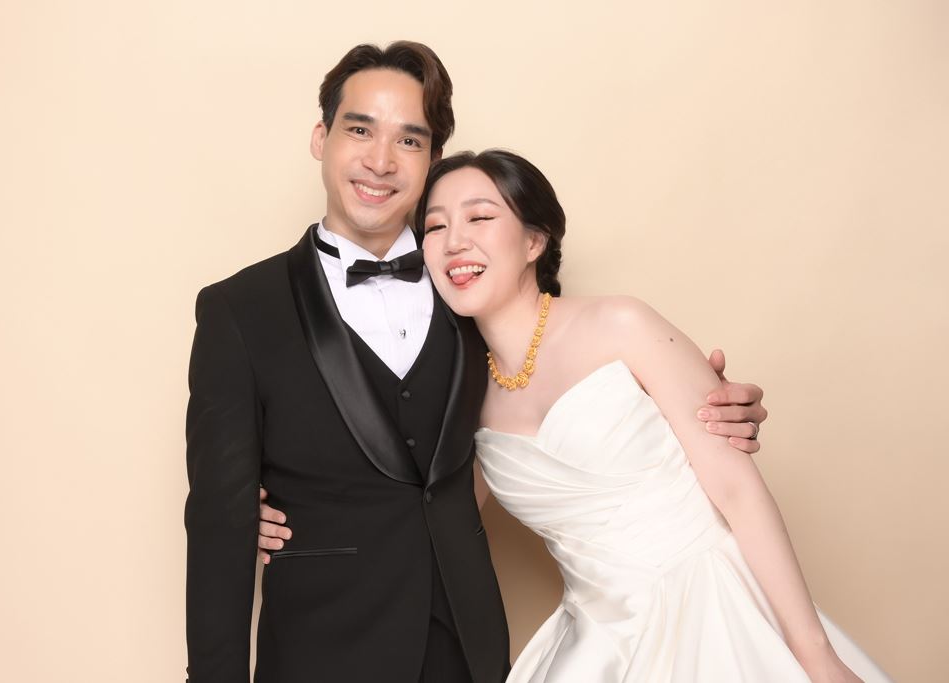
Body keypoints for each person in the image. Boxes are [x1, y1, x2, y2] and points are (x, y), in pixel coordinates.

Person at [189, 41, 765, 683]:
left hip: (467, 646)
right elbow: (217, 522)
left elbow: (568, 377)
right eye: (360, 130)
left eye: (409, 140)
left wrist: (704, 404)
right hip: (319, 650)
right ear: (322, 138)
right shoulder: (239, 310)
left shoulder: (472, 285)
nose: (380, 160)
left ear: (432, 159)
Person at [410, 148, 889, 682]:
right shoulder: (461, 395)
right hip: (596, 645)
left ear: (534, 241)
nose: (454, 242)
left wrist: (815, 654)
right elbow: (441, 528)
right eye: (435, 227)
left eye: (479, 217)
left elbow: (737, 490)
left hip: (715, 608)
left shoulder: (621, 324)